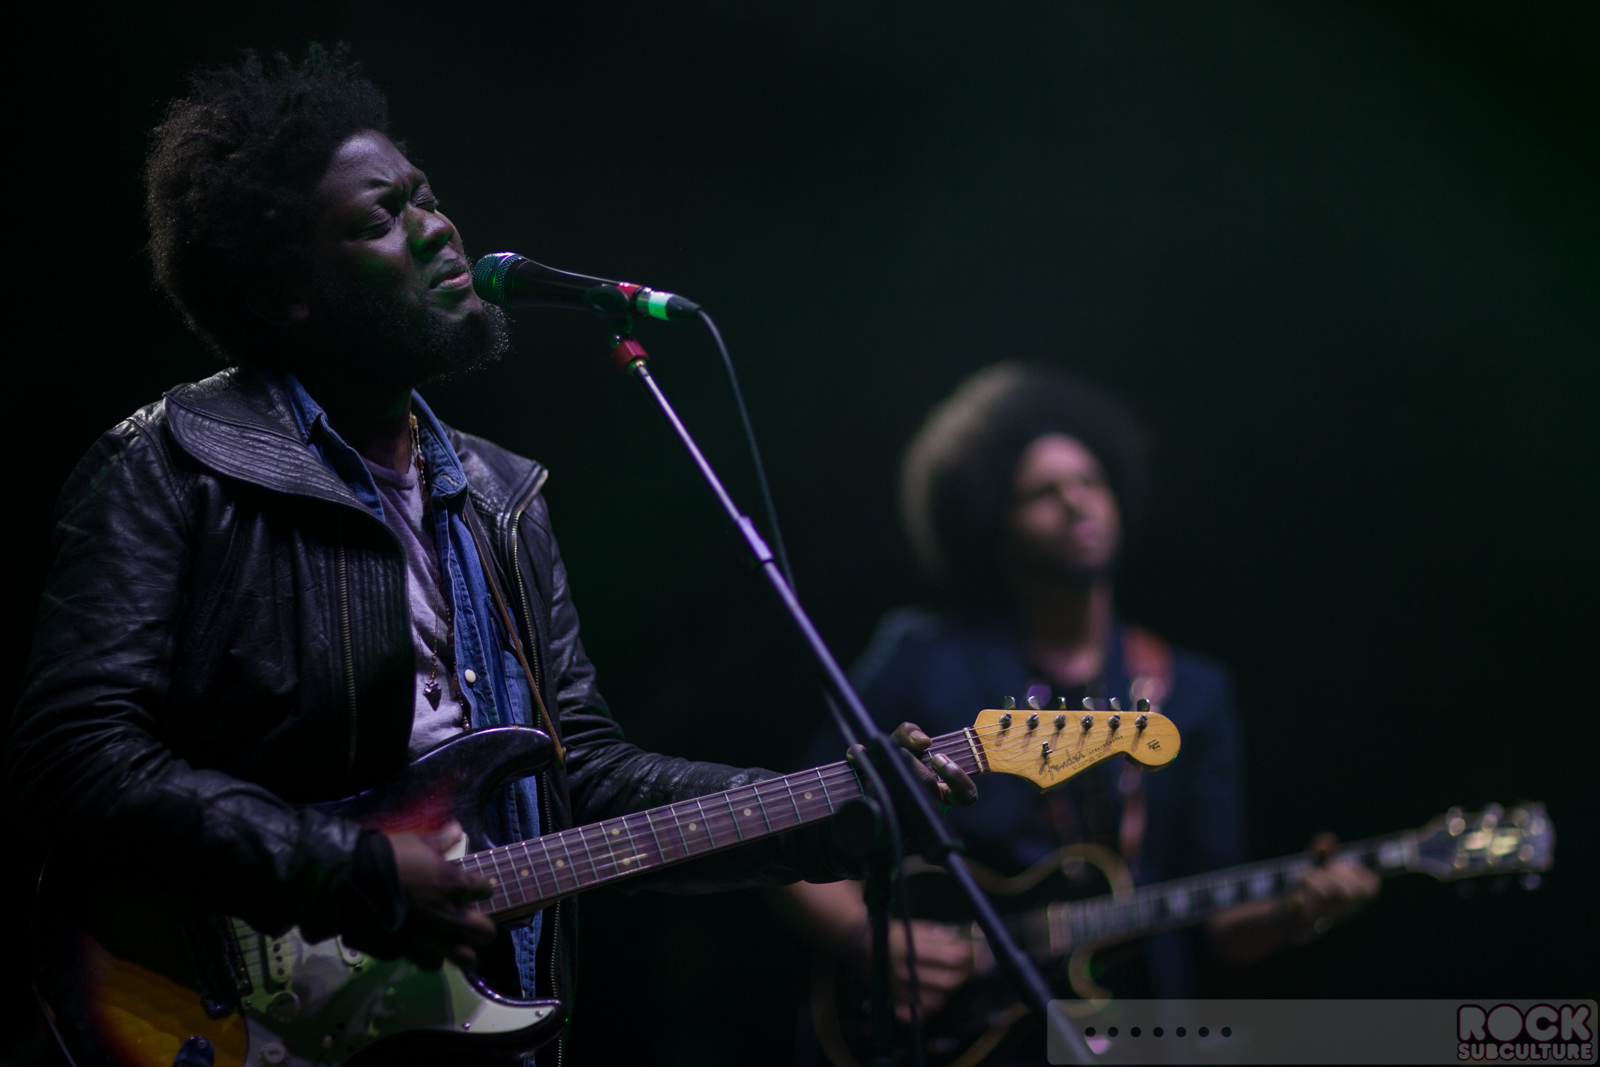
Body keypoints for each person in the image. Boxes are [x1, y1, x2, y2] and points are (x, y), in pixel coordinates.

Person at [3, 46, 969, 1065]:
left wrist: (825, 812)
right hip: (227, 1016)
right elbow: (74, 756)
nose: (436, 227)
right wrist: (348, 868)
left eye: (424, 195)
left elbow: (580, 778)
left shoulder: (500, 497)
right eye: (380, 219)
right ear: (287, 290)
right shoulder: (172, 464)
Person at [779, 364, 1378, 1050]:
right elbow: (791, 830)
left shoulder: (1193, 690)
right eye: (1044, 492)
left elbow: (1214, 928)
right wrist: (867, 938)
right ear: (991, 522)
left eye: (1091, 481)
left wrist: (1295, 912)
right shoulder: (924, 658)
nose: (1076, 502)